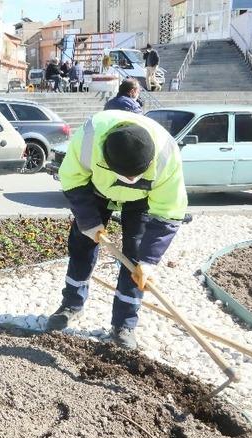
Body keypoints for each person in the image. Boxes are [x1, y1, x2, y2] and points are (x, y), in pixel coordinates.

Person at [43, 110, 187, 350]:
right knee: (82, 245)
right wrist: (88, 221)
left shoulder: (166, 156)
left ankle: (124, 324)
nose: (130, 179)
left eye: (135, 175)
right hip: (96, 190)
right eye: (124, 175)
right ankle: (71, 305)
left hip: (141, 201)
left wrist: (149, 261)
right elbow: (71, 177)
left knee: (136, 259)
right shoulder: (89, 137)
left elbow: (169, 212)